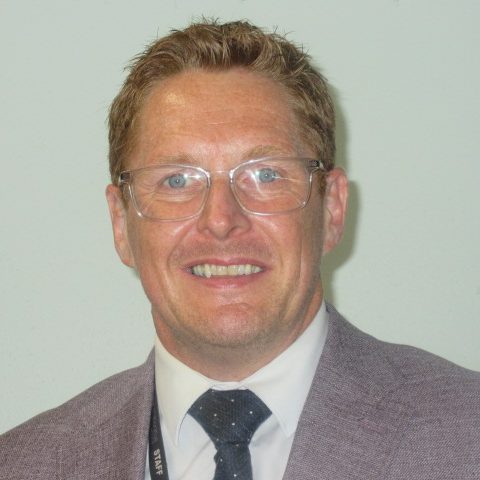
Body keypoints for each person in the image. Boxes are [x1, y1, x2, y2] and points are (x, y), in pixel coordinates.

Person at [1, 19, 479, 480]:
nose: (221, 220)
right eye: (176, 180)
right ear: (121, 223)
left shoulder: (466, 435)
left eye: (265, 174)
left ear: (332, 209)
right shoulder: (23, 464)